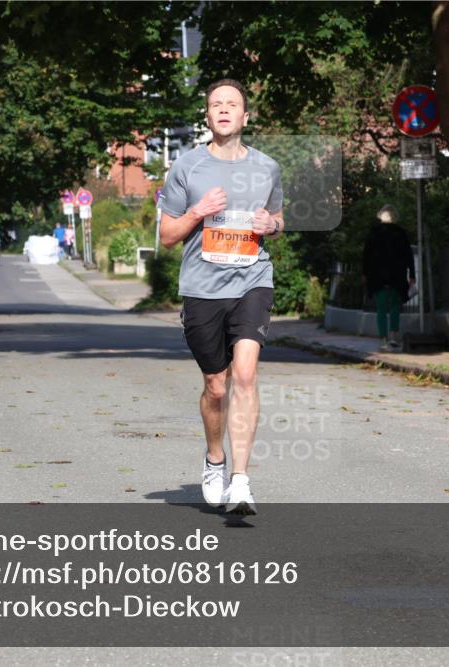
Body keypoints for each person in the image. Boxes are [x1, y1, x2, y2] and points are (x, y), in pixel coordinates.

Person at [158, 79, 283, 516]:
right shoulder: (186, 168)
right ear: (208, 117)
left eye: (233, 105)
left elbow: (278, 217)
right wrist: (197, 211)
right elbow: (167, 236)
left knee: (245, 374)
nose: (224, 110)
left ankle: (241, 482)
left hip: (252, 279)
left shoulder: (267, 167)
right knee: (216, 385)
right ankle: (215, 458)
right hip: (202, 288)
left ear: (246, 117)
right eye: (216, 105)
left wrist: (273, 226)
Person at [362, 204, 415, 351]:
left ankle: (383, 339)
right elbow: (408, 255)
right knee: (395, 308)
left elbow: (366, 255)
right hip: (397, 276)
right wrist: (412, 275)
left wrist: (365, 274)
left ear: (381, 216)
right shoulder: (401, 233)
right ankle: (393, 337)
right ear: (395, 217)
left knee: (381, 309)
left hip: (377, 277)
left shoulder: (373, 233)